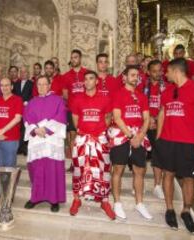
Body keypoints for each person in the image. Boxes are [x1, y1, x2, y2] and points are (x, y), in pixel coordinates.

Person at [155, 58, 194, 234]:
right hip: (167, 140)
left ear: (175, 70)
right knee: (168, 174)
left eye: (167, 71)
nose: (165, 74)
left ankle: (186, 211)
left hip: (189, 142)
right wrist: (158, 138)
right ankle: (170, 208)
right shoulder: (167, 91)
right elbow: (162, 113)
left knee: (188, 178)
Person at [70, 70, 115, 220]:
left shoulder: (105, 98)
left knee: (104, 170)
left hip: (100, 139)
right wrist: (85, 132)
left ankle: (104, 201)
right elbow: (75, 119)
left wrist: (99, 131)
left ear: (96, 81)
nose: (88, 81)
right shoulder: (77, 99)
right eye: (86, 79)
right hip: (82, 139)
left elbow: (108, 117)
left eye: (91, 79)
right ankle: (77, 199)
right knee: (78, 169)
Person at [109, 65, 152, 220]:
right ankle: (117, 202)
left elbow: (146, 118)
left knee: (139, 170)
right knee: (118, 169)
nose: (135, 78)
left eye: (137, 75)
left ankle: (139, 203)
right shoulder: (118, 94)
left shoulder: (142, 96)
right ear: (124, 77)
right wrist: (130, 136)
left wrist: (140, 136)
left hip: (139, 135)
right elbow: (117, 117)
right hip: (122, 134)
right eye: (132, 75)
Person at [23, 75, 67, 212]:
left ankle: (54, 200)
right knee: (37, 169)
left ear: (49, 85)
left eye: (44, 84)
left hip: (52, 140)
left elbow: (61, 117)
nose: (41, 87)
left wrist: (46, 129)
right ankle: (35, 197)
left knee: (52, 170)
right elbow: (27, 120)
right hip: (37, 140)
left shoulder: (58, 100)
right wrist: (35, 129)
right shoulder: (32, 102)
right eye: (39, 84)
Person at [145, 60, 166, 199]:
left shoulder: (167, 86)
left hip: (160, 124)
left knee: (158, 154)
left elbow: (166, 106)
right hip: (144, 123)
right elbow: (139, 103)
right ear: (148, 72)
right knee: (141, 155)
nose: (157, 73)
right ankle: (138, 184)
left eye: (160, 70)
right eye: (154, 71)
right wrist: (148, 119)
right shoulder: (142, 86)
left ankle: (158, 185)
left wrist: (156, 120)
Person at [62, 49, 87, 159]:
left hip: (85, 110)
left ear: (80, 58)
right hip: (72, 110)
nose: (73, 59)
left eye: (76, 57)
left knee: (85, 135)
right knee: (72, 135)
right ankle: (74, 162)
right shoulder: (66, 76)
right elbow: (65, 95)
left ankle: (84, 160)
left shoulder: (87, 73)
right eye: (72, 58)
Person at [13, 66, 33, 155]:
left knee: (25, 129)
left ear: (28, 74)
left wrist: (27, 102)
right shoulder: (16, 84)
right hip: (17, 109)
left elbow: (33, 95)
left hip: (27, 109)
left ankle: (25, 148)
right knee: (18, 128)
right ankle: (18, 148)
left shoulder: (31, 84)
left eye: (24, 72)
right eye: (21, 72)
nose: (23, 74)